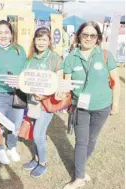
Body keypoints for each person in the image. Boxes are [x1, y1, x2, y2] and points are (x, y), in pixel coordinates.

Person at [63, 21, 120, 189]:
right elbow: (67, 85)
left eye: (92, 35)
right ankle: (79, 178)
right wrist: (64, 99)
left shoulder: (105, 55)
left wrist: (115, 104)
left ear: (98, 38)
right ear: (78, 36)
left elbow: (116, 82)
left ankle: (79, 167)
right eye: (85, 35)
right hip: (80, 107)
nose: (88, 38)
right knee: (82, 141)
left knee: (92, 139)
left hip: (102, 106)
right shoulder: (71, 58)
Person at [21, 27, 64, 178]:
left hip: (47, 104)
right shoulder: (30, 58)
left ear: (49, 41)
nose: (41, 42)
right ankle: (36, 158)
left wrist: (45, 95)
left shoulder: (55, 58)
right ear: (34, 41)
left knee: (39, 134)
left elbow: (59, 81)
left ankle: (43, 163)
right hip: (32, 102)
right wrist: (32, 91)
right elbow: (26, 79)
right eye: (38, 39)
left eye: (44, 39)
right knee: (34, 131)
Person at [0, 20, 26, 164]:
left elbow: (25, 70)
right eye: (0, 32)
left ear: (11, 34)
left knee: (16, 124)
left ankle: (12, 147)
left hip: (18, 94)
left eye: (6, 32)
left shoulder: (19, 50)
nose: (3, 35)